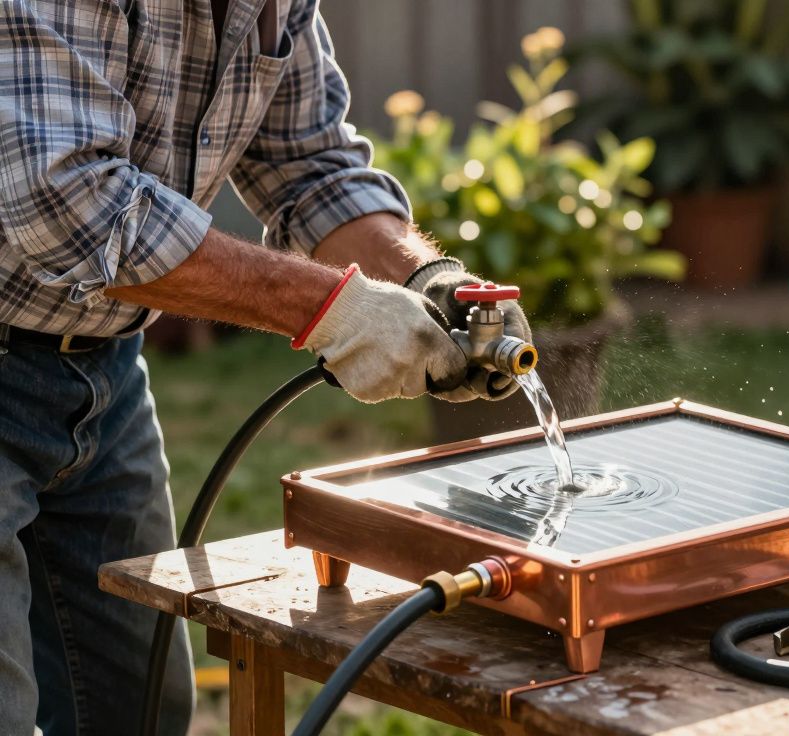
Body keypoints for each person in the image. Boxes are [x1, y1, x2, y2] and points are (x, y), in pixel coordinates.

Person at [0, 0, 529, 732]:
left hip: (104, 368)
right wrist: (331, 309)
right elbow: (66, 202)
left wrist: (424, 281)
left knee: (138, 708)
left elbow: (310, 166)